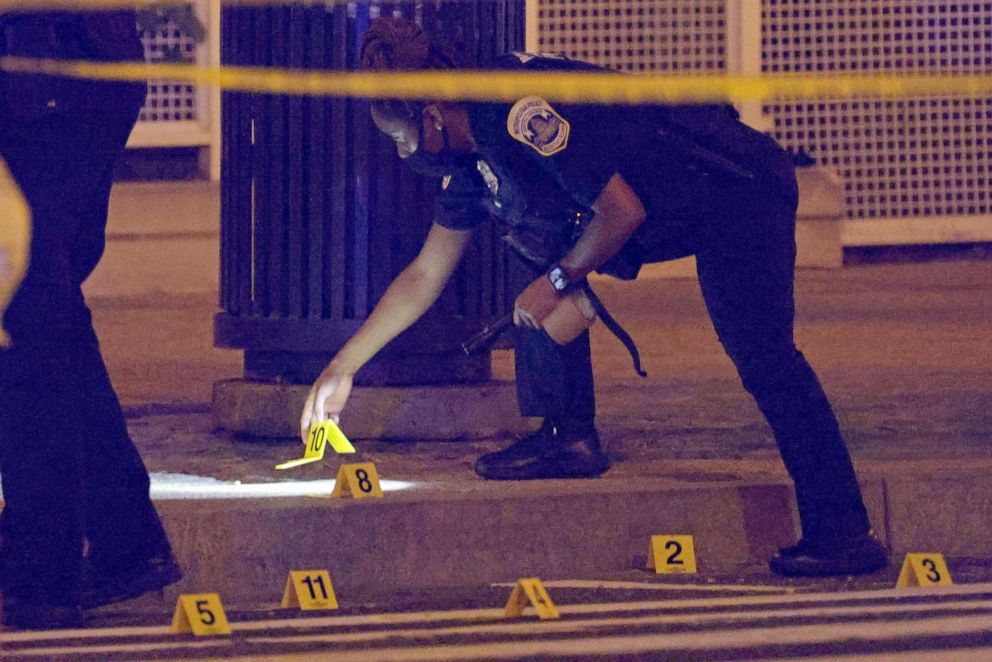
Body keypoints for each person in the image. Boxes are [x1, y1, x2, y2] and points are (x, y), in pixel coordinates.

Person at [300, 17, 888, 577]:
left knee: (765, 359)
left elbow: (620, 211)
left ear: (431, 115)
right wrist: (342, 366)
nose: (406, 154)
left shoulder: (516, 112)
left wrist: (560, 280)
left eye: (403, 139)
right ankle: (567, 437)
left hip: (737, 188)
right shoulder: (475, 158)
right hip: (676, 203)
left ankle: (843, 534)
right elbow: (425, 273)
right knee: (529, 231)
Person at [0, 10, 181, 629]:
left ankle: (43, 566)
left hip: (37, 65)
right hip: (86, 62)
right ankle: (122, 539)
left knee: (26, 315)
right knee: (46, 311)